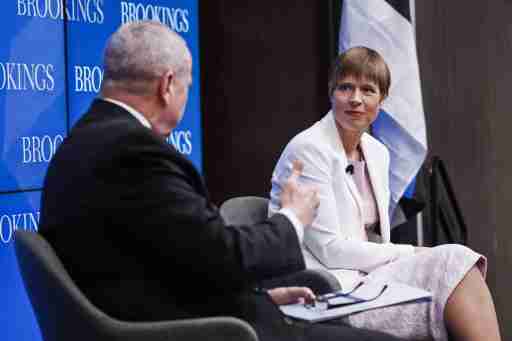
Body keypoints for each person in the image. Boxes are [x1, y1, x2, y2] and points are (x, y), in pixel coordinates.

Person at [38, 22, 403, 341]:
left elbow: (174, 259)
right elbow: (223, 255)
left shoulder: (85, 140)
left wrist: (263, 297)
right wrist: (292, 217)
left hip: (172, 316)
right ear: (168, 85)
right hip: (189, 331)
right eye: (187, 86)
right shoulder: (137, 154)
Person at [269, 46, 501, 341]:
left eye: (367, 90)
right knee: (454, 261)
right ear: (331, 93)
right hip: (325, 289)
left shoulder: (378, 153)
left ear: (382, 101)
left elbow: (376, 239)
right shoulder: (309, 149)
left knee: (458, 267)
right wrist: (411, 253)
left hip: (369, 280)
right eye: (345, 87)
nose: (355, 99)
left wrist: (402, 259)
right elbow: (329, 249)